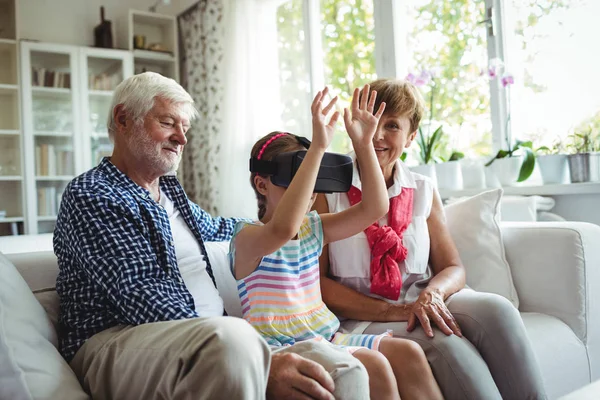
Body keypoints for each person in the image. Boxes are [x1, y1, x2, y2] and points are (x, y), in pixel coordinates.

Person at [54, 71, 371, 400]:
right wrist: (261, 357)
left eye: (185, 128)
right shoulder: (94, 194)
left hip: (209, 337)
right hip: (117, 340)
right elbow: (144, 299)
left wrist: (280, 228)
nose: (182, 138)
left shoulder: (174, 197)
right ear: (123, 119)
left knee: (340, 369)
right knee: (235, 341)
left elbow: (229, 229)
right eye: (168, 123)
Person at [313, 78, 548, 400]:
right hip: (359, 316)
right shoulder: (327, 191)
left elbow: (452, 267)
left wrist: (432, 295)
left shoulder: (423, 188)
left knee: (497, 308)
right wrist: (389, 312)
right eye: (370, 121)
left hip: (421, 299)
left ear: (410, 137)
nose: (378, 134)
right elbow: (316, 283)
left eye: (392, 125)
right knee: (448, 346)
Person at [232, 85, 444, 400]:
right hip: (283, 347)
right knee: (373, 364)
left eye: (313, 182)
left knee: (409, 353)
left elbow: (375, 207)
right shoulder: (246, 236)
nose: (309, 194)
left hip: (327, 336)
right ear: (261, 185)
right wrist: (318, 146)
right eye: (297, 184)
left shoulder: (313, 229)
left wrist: (363, 145)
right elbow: (282, 229)